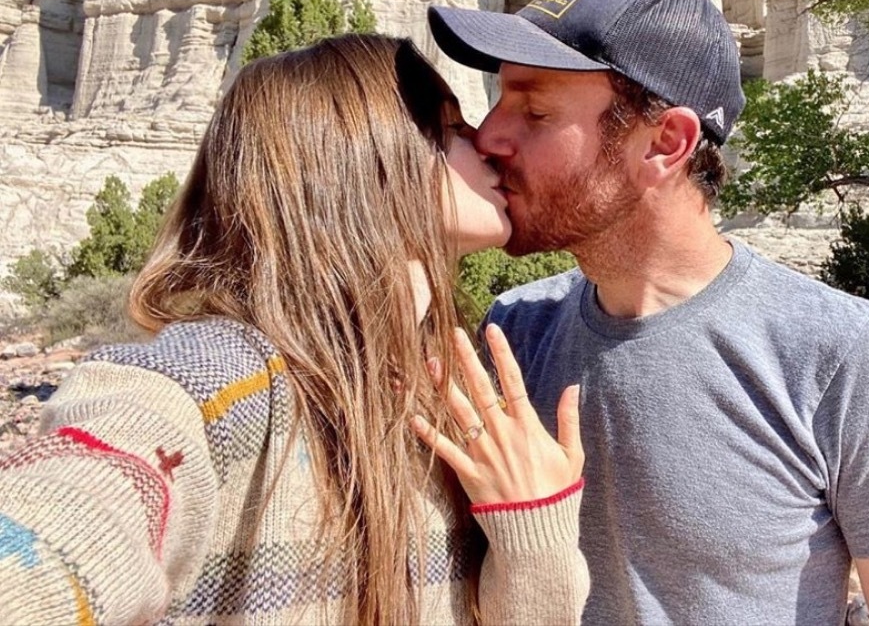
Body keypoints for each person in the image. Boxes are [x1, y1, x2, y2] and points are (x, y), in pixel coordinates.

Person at [427, 0, 869, 625]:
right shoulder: (514, 331)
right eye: (499, 99)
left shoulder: (842, 353)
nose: (489, 134)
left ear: (666, 142)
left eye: (533, 111)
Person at [0, 34, 588, 625]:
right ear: (365, 162)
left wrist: (532, 528)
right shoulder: (216, 378)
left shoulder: (439, 395)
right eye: (452, 129)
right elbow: (67, 517)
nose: (487, 144)